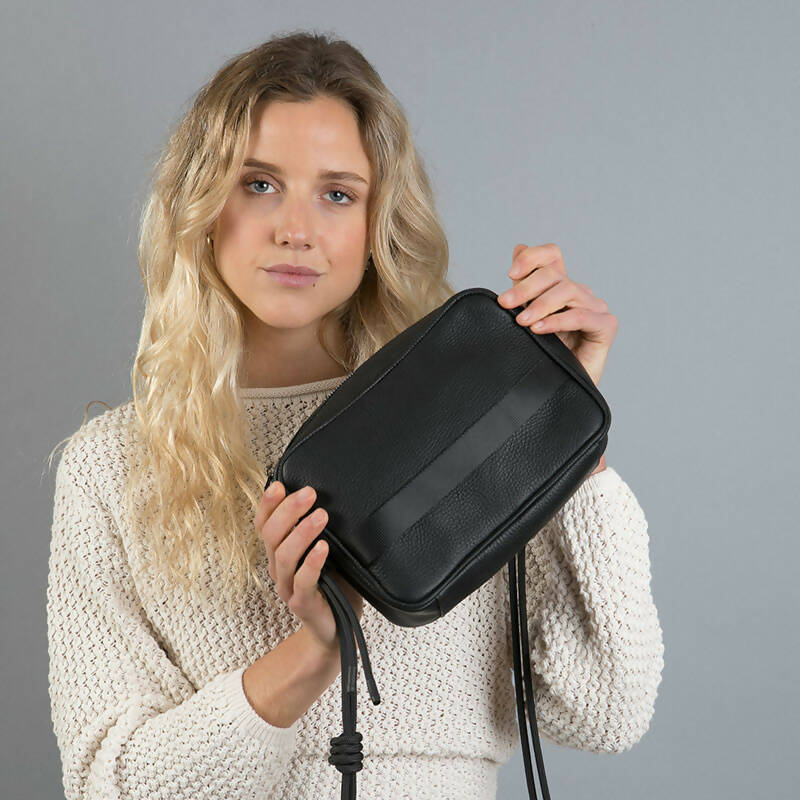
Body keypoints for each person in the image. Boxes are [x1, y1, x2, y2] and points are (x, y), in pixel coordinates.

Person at [46, 30, 665, 800]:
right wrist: (316, 650)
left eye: (337, 194)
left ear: (379, 223)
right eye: (259, 183)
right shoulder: (111, 467)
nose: (295, 229)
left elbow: (605, 713)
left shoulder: (467, 416)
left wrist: (561, 423)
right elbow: (108, 784)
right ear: (201, 203)